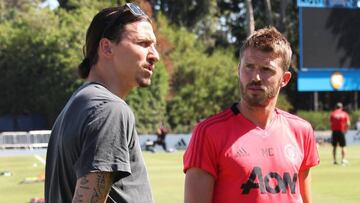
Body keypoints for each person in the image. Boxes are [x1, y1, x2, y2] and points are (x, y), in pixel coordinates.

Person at [183, 27, 320, 203]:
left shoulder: (301, 131)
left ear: (284, 79)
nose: (255, 76)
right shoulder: (208, 132)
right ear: (238, 70)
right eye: (249, 67)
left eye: (266, 69)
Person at [45, 3, 160, 202]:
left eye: (154, 45)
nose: (155, 55)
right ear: (106, 47)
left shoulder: (78, 104)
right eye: (143, 43)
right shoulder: (109, 110)